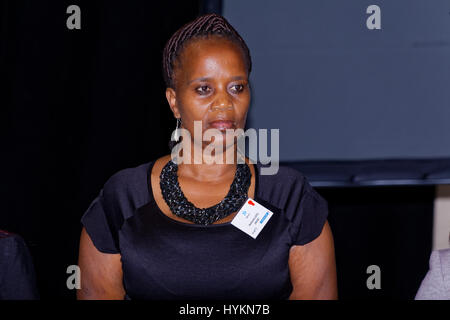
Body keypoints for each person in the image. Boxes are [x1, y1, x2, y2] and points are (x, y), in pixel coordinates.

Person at [77, 13, 337, 300]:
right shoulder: (124, 198)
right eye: (204, 89)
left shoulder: (289, 196)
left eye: (237, 87)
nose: (225, 103)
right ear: (174, 102)